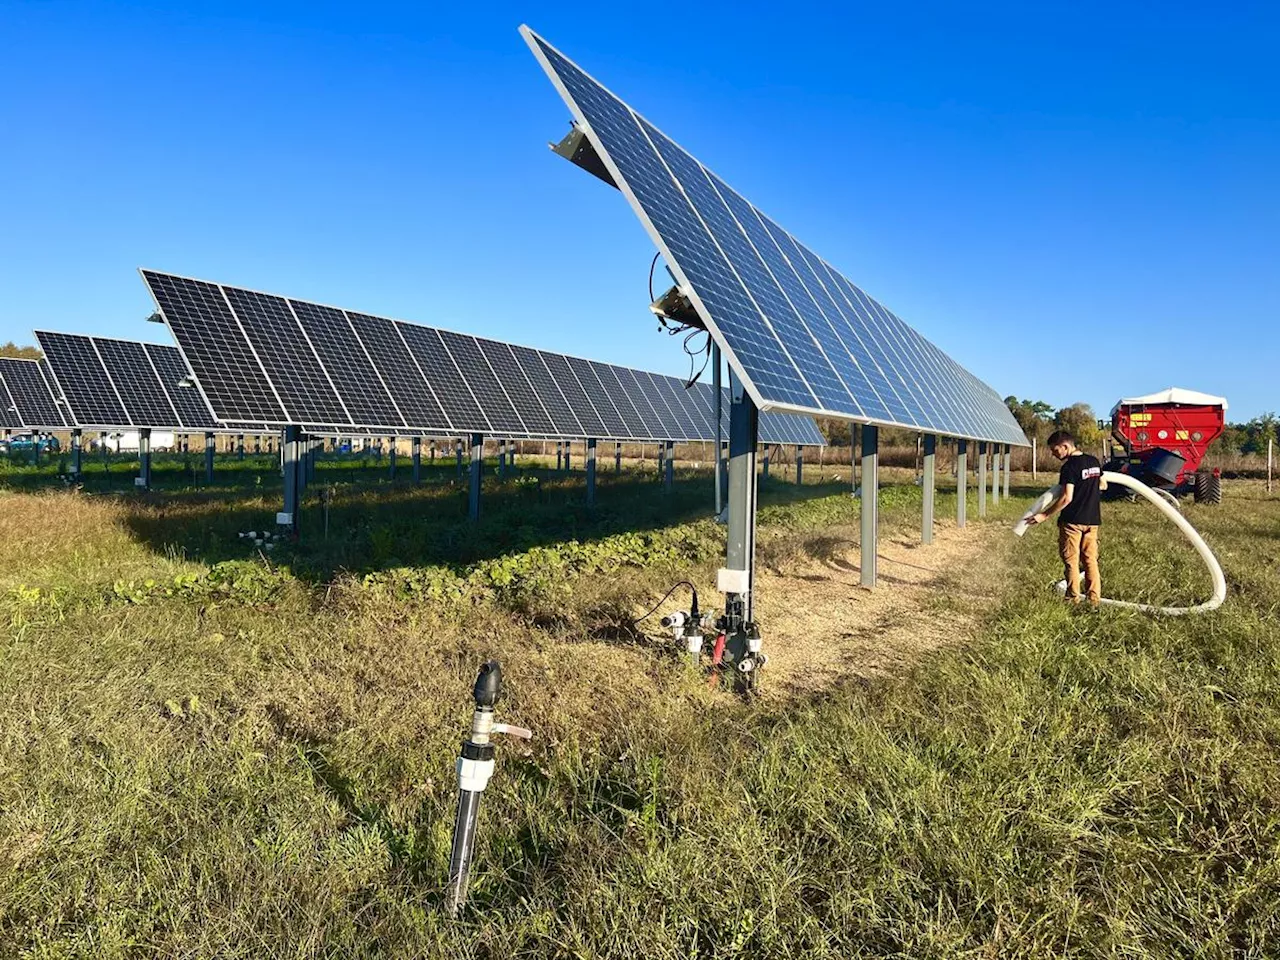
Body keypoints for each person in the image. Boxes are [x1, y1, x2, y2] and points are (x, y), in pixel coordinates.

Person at [1028, 429, 1106, 604]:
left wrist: (1044, 515)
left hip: (1072, 521)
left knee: (1071, 560)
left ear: (1065, 446)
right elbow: (1103, 484)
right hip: (1093, 520)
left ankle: (1072, 599)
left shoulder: (1070, 467)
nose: (1053, 454)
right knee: (1090, 560)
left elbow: (1066, 497)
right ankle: (1094, 600)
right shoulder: (1094, 461)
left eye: (1055, 450)